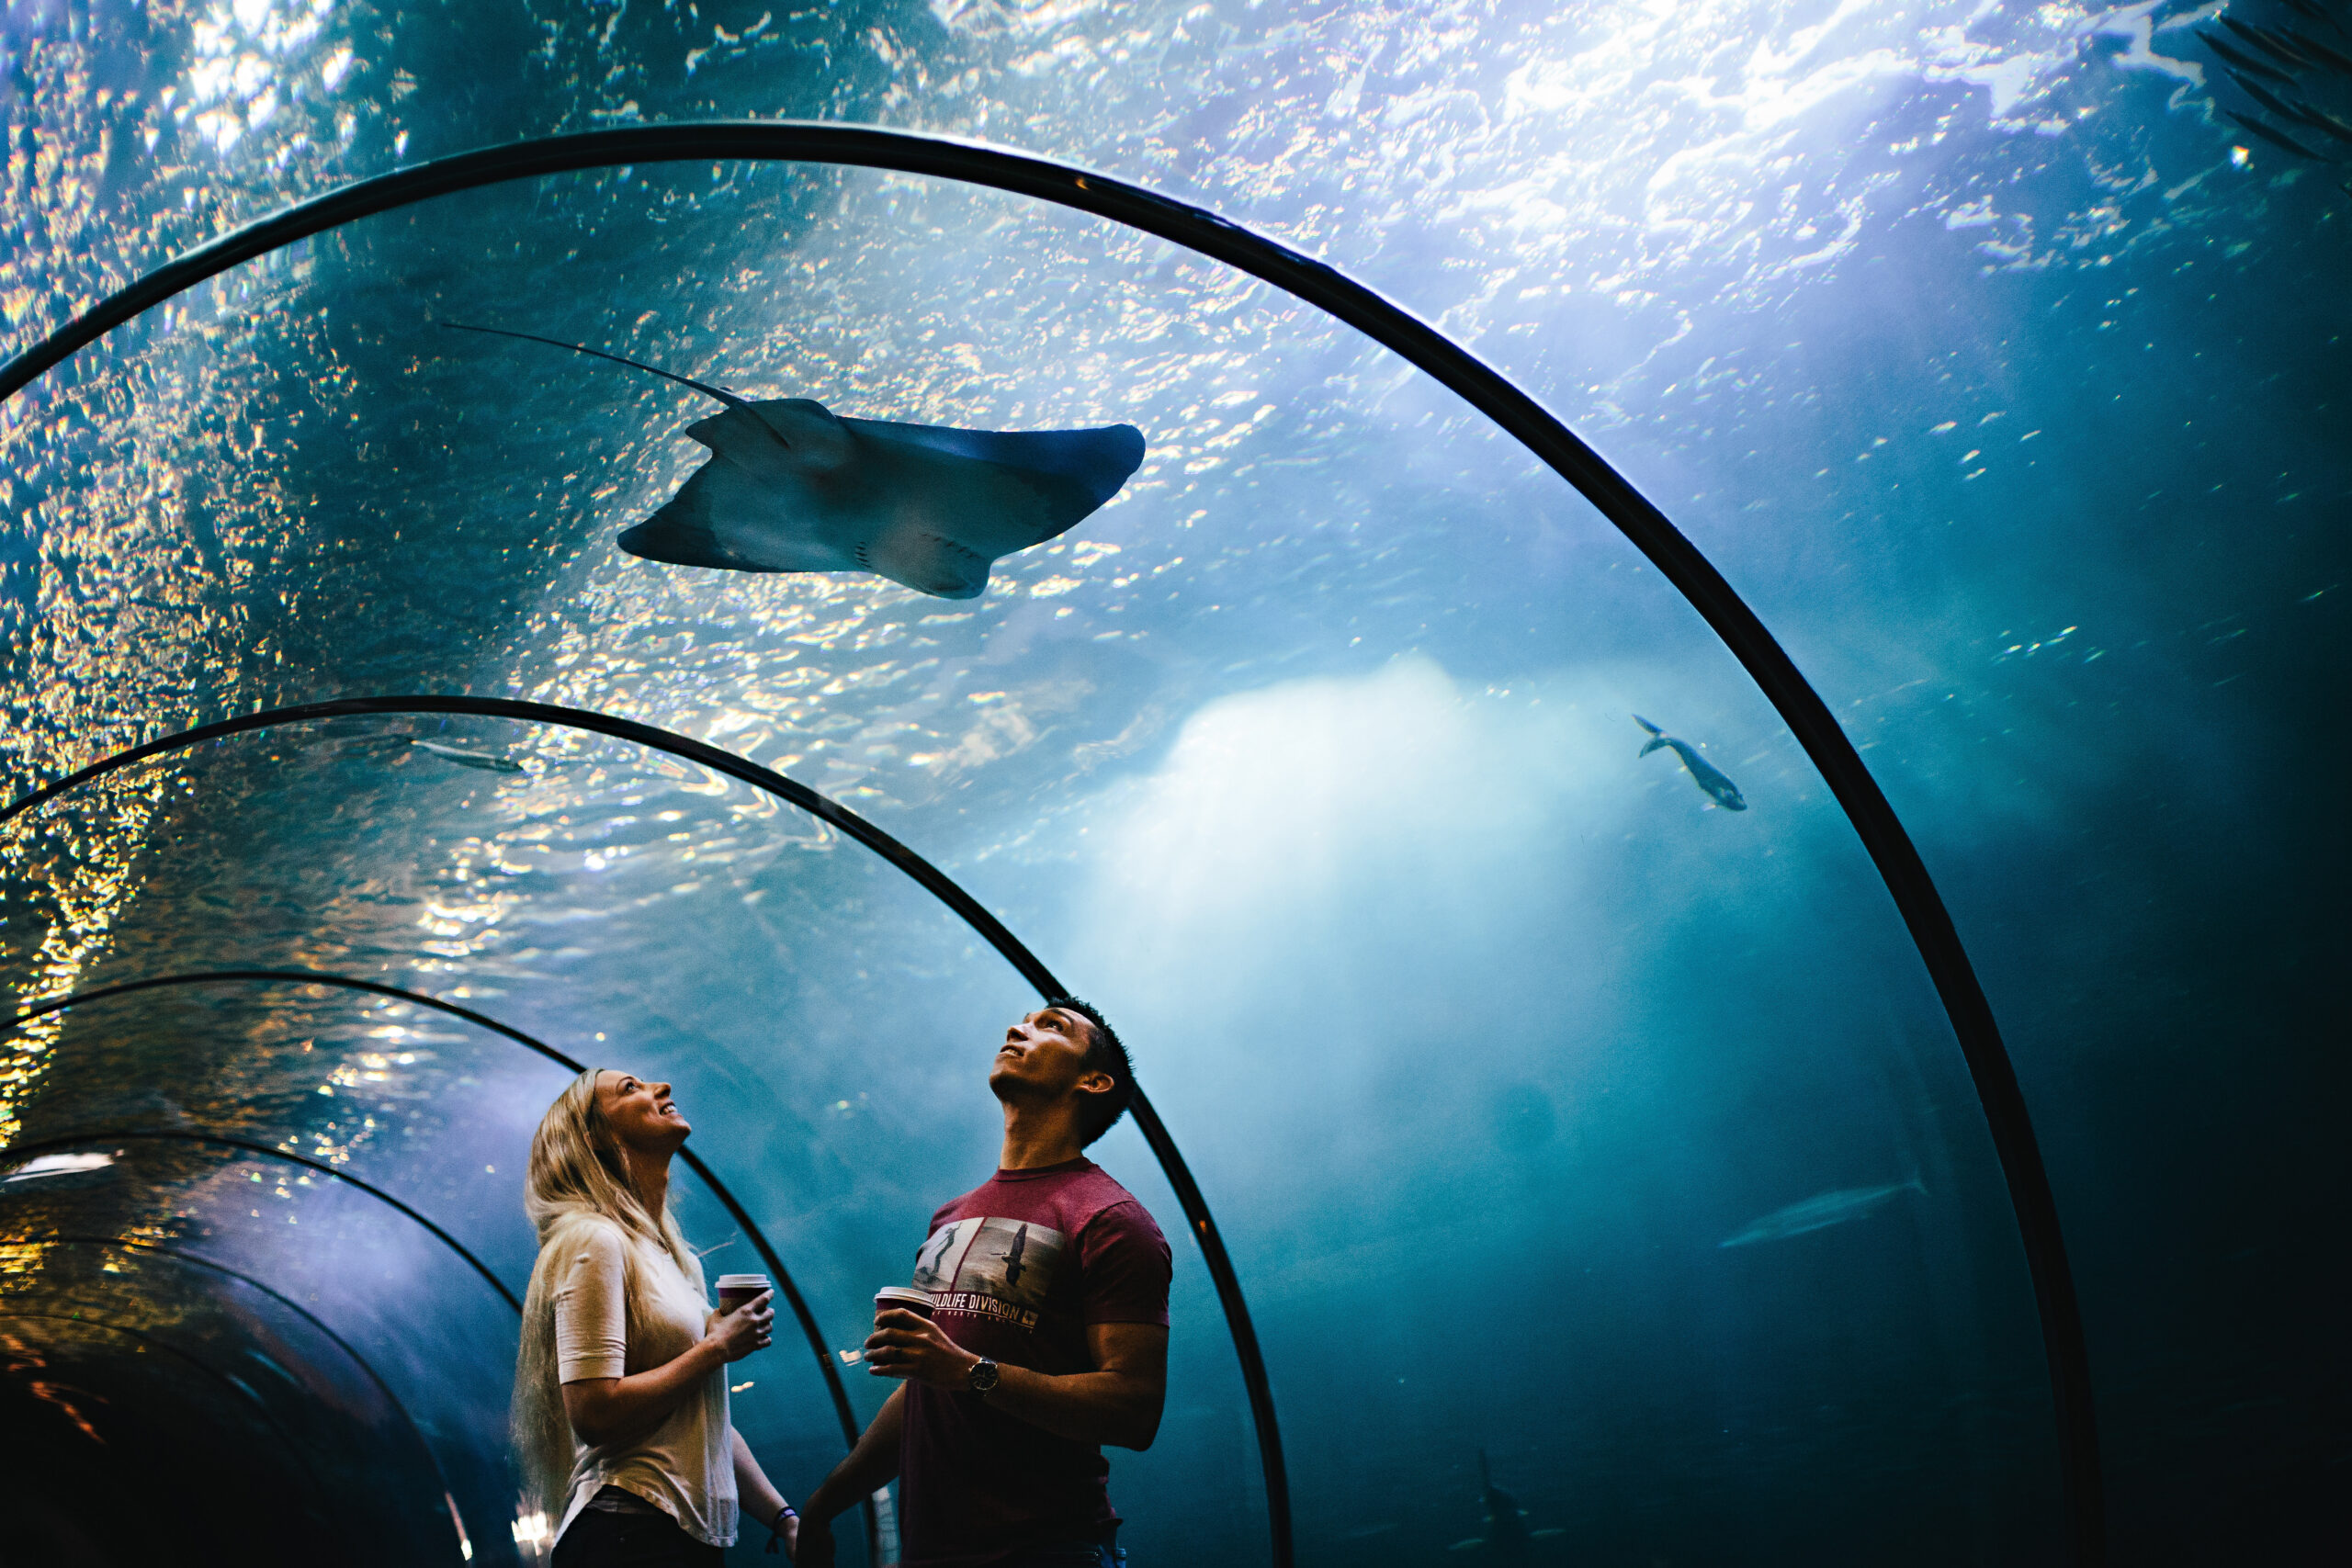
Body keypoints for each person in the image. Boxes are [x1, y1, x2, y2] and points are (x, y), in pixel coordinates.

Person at [794, 999, 1171, 1568]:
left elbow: (1135, 1411)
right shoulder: (952, 1216)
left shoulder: (1109, 1217)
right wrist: (824, 1507)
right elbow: (929, 1388)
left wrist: (969, 1371)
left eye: (1051, 1026)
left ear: (1094, 1080)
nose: (1018, 1027)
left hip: (1044, 1550)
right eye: (1023, 1019)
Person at [514, 1067, 802, 1564]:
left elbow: (701, 1419)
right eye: (631, 1089)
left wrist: (783, 1518)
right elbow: (594, 1412)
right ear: (595, 1137)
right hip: (627, 1531)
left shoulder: (664, 1254)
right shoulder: (592, 1238)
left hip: (670, 1535)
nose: (661, 1088)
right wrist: (715, 1349)